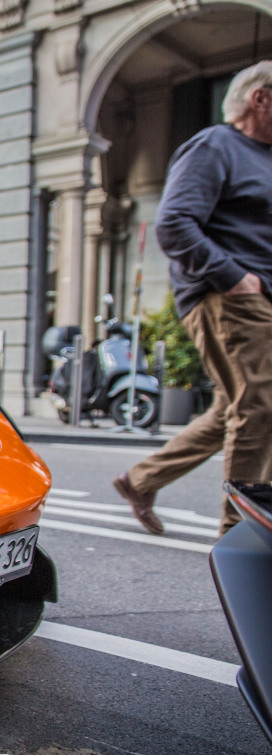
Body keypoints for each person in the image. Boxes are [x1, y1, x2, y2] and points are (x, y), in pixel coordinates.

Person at [114, 60, 272, 537]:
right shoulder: (216, 145)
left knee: (233, 408)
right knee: (260, 405)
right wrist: (234, 278)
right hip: (231, 298)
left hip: (252, 296)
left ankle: (140, 480)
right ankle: (241, 537)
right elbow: (175, 223)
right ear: (260, 99)